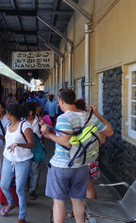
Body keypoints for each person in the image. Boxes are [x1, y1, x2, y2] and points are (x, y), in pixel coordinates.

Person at [40, 89, 114, 223]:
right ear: (74, 100)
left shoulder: (64, 117)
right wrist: (97, 114)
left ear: (61, 100)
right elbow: (109, 131)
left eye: (59, 101)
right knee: (77, 199)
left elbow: (66, 142)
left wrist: (48, 134)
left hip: (62, 165)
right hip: (82, 165)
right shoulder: (89, 116)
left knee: (58, 201)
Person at [0, 103, 35, 223]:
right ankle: (11, 203)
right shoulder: (9, 125)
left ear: (11, 113)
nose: (5, 113)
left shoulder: (25, 126)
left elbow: (32, 144)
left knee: (20, 189)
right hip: (8, 160)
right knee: (4, 185)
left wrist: (18, 144)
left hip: (22, 162)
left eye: (6, 111)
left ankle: (22, 216)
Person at [74, 99, 113, 200]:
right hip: (91, 156)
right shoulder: (92, 118)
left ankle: (79, 210)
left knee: (76, 186)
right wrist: (97, 114)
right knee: (89, 186)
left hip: (75, 156)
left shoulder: (69, 118)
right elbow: (104, 138)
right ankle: (91, 213)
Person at [25, 102, 42, 200]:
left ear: (30, 112)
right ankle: (26, 185)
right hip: (25, 148)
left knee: (35, 170)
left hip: (36, 149)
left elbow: (42, 135)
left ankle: (32, 191)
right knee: (26, 169)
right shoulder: (22, 121)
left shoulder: (39, 121)